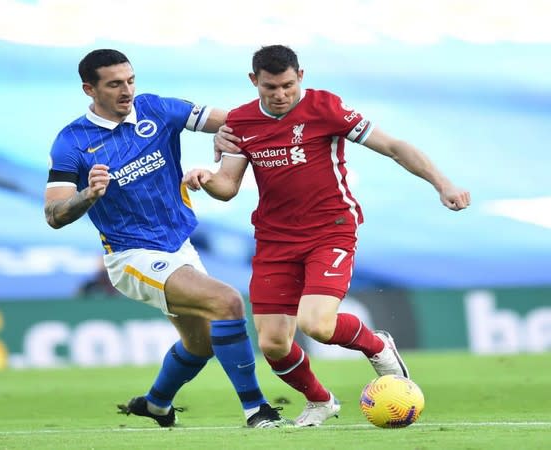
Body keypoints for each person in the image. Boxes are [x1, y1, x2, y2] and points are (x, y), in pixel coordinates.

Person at [184, 44, 471, 427]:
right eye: (271, 87)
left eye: (288, 85)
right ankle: (320, 401)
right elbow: (228, 186)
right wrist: (205, 178)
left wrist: (442, 184)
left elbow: (393, 146)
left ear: (300, 76)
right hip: (274, 239)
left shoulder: (325, 108)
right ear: (254, 82)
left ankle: (377, 345)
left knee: (316, 324)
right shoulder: (239, 123)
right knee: (272, 344)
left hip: (330, 230)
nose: (281, 94)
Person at [44, 49, 288, 428]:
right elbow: (54, 215)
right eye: (114, 84)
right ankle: (257, 409)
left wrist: (227, 139)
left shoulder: (157, 109)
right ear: (88, 89)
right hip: (132, 256)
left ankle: (156, 404)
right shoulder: (72, 142)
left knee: (201, 344)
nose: (126, 91)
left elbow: (238, 121)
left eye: (130, 80)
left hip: (180, 246)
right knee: (226, 301)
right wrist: (86, 196)